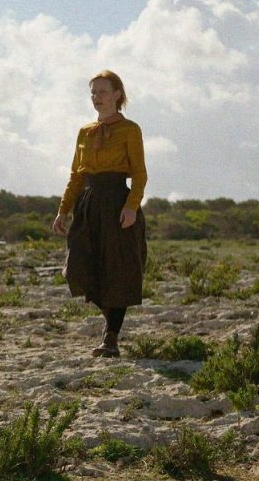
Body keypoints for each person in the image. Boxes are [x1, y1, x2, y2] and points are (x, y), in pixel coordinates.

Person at [52, 70, 148, 358]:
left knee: (118, 270)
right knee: (80, 268)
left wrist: (131, 206)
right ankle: (109, 324)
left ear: (117, 94)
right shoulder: (84, 132)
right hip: (89, 204)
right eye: (93, 93)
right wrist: (63, 211)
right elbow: (76, 176)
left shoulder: (130, 130)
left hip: (118, 202)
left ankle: (111, 336)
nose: (96, 98)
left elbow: (140, 174)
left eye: (102, 92)